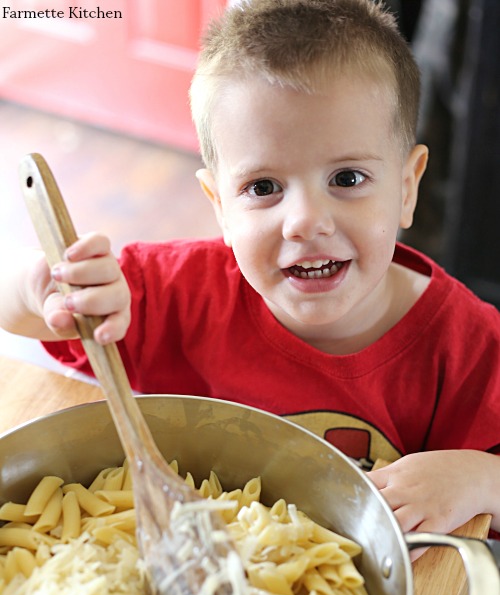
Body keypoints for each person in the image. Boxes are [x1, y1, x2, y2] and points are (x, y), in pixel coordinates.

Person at [1, 0, 499, 549]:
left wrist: (480, 479)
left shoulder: (466, 344)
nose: (305, 221)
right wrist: (40, 290)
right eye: (263, 188)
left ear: (406, 188)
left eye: (348, 177)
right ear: (219, 205)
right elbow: (26, 316)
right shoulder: (173, 292)